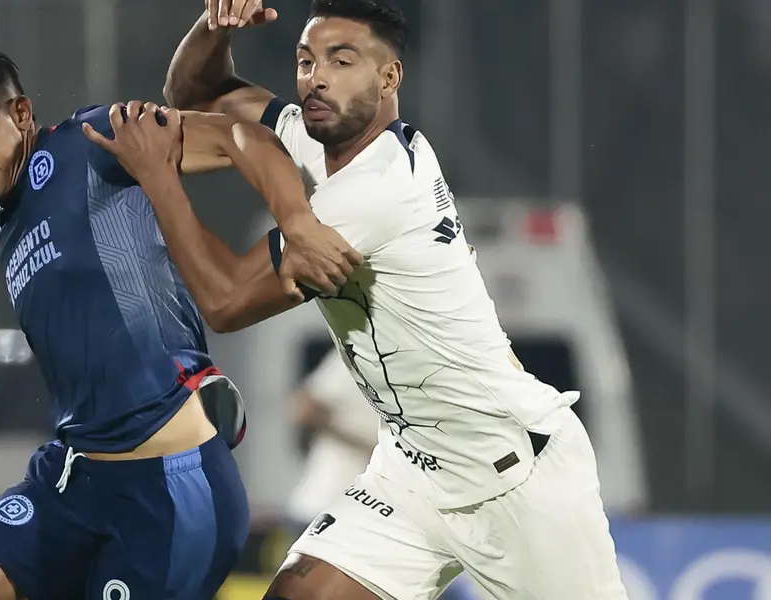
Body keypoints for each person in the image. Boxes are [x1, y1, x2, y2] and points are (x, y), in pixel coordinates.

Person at [80, 1, 634, 598]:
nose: (316, 78)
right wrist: (215, 26)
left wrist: (160, 180)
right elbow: (196, 91)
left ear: (389, 77)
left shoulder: (377, 191)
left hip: (513, 479)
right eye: (306, 61)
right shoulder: (316, 139)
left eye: (341, 61)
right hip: (411, 470)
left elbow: (226, 301)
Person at [0, 44, 362, 600]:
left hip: (169, 488)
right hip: (74, 478)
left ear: (21, 113)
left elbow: (243, 137)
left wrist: (297, 221)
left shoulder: (89, 141)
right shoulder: (12, 215)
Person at [284, 349, 378, 537]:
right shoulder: (361, 353)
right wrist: (369, 447)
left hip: (374, 512)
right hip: (326, 503)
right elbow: (303, 408)